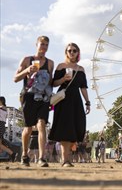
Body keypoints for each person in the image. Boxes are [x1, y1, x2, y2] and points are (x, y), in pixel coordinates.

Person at [13, 36, 54, 167]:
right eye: (42, 44)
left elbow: (50, 82)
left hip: (44, 97)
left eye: (46, 45)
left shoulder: (50, 63)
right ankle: (24, 155)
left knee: (42, 124)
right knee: (28, 128)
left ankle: (42, 158)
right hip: (29, 96)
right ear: (36, 44)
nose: (44, 47)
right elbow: (15, 79)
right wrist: (27, 70)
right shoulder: (27, 60)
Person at [48, 43, 90, 167]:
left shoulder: (81, 69)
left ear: (78, 53)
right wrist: (63, 79)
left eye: (74, 50)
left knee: (78, 125)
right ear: (66, 52)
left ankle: (67, 159)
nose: (72, 52)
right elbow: (54, 83)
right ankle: (65, 160)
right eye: (69, 50)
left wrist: (87, 102)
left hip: (76, 100)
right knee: (64, 128)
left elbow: (83, 87)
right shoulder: (61, 66)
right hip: (63, 99)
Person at [0, 96, 17, 162]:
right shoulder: (4, 108)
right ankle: (12, 154)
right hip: (2, 125)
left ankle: (12, 154)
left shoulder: (2, 108)